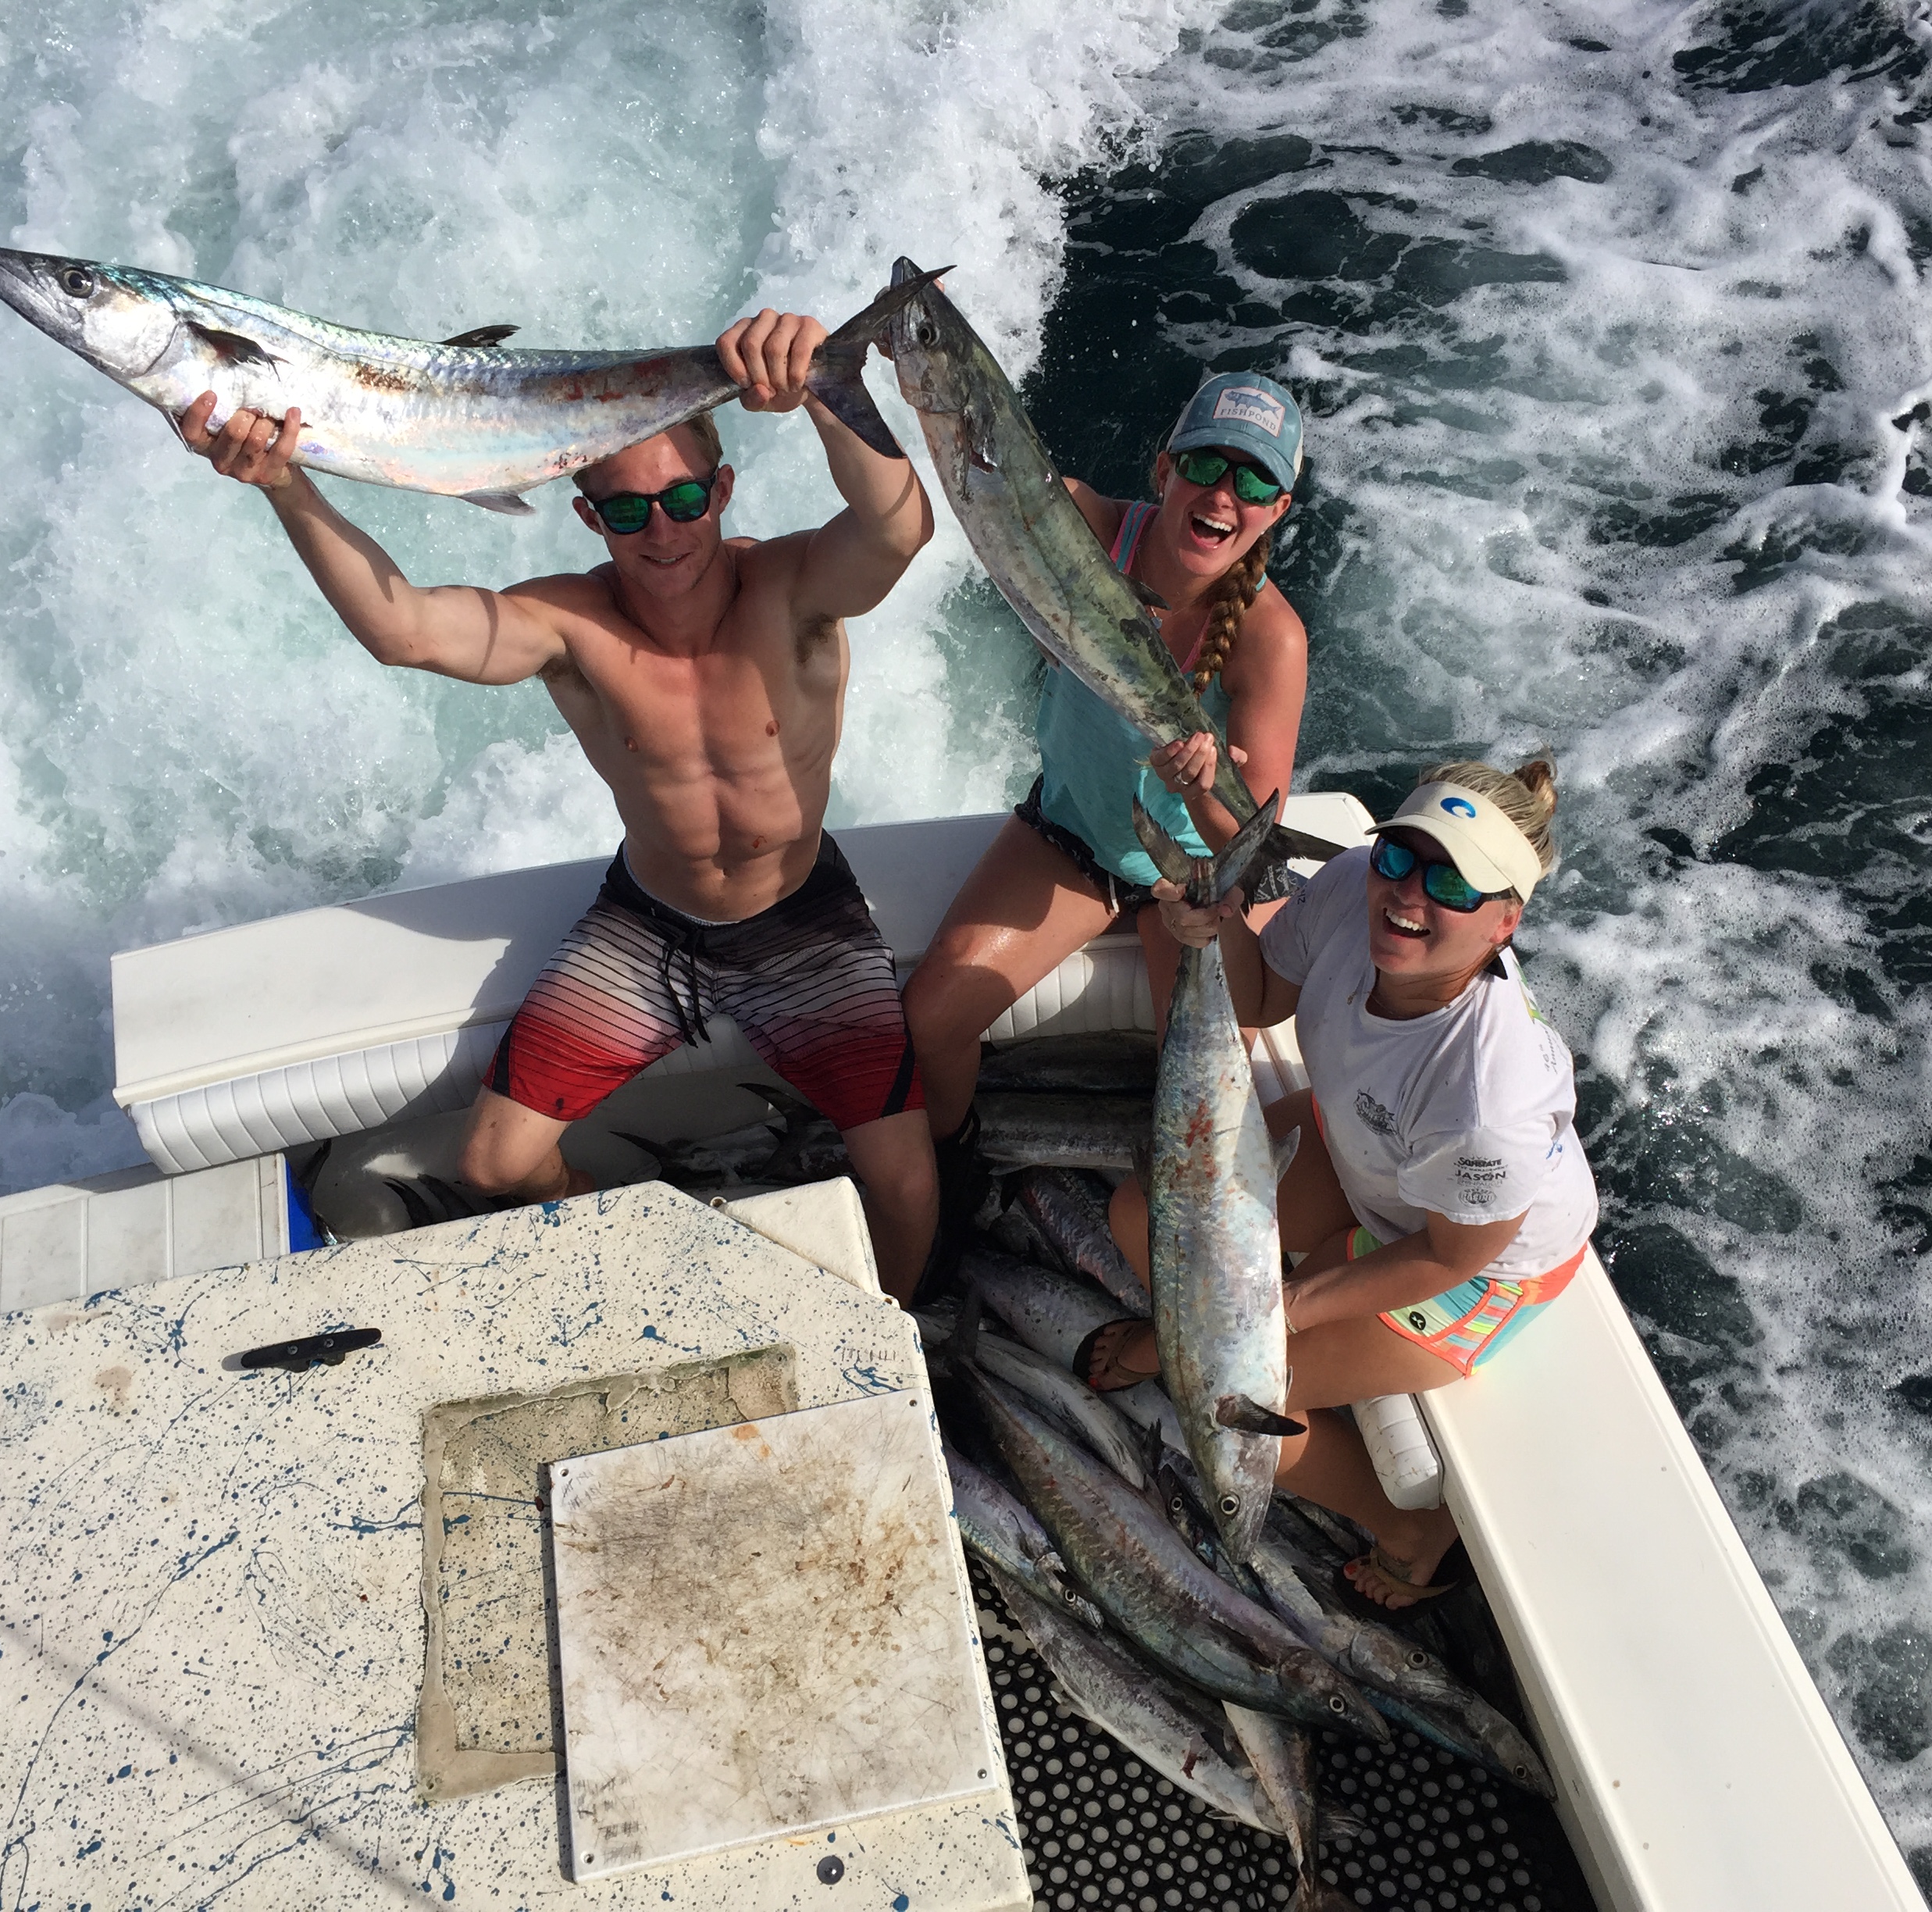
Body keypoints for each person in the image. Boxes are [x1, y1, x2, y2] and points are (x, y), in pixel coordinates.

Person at [182, 309, 942, 1298]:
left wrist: (823, 393)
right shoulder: (568, 622)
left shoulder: (793, 589)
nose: (661, 531)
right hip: (650, 927)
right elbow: (404, 631)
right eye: (627, 512)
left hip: (800, 922)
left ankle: (901, 1324)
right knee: (494, 1164)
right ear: (589, 518)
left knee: (906, 1183)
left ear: (721, 492)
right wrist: (286, 484)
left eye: (683, 500)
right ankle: (630, 1224)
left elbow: (898, 528)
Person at [1080, 759, 1597, 1606]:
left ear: (1505, 923)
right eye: (1400, 857)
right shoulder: (1355, 887)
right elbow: (1260, 998)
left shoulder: (1489, 1096)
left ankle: (1412, 1530)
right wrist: (1213, 926)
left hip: (1474, 1256)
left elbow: (1451, 1257)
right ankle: (1198, 1337)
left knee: (1236, 1398)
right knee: (1143, 1213)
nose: (1408, 894)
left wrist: (1283, 1309)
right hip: (1364, 1143)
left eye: (1452, 884)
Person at [900, 372, 1311, 1152]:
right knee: (929, 1020)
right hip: (1074, 833)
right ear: (1163, 470)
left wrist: (1198, 793)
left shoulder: (1271, 639)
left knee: (1208, 1097)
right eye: (1205, 464)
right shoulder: (1087, 526)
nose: (1224, 494)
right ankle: (954, 1170)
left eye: (1255, 481)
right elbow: (988, 476)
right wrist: (926, 386)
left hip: (1194, 881)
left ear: (1278, 509)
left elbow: (1248, 841)